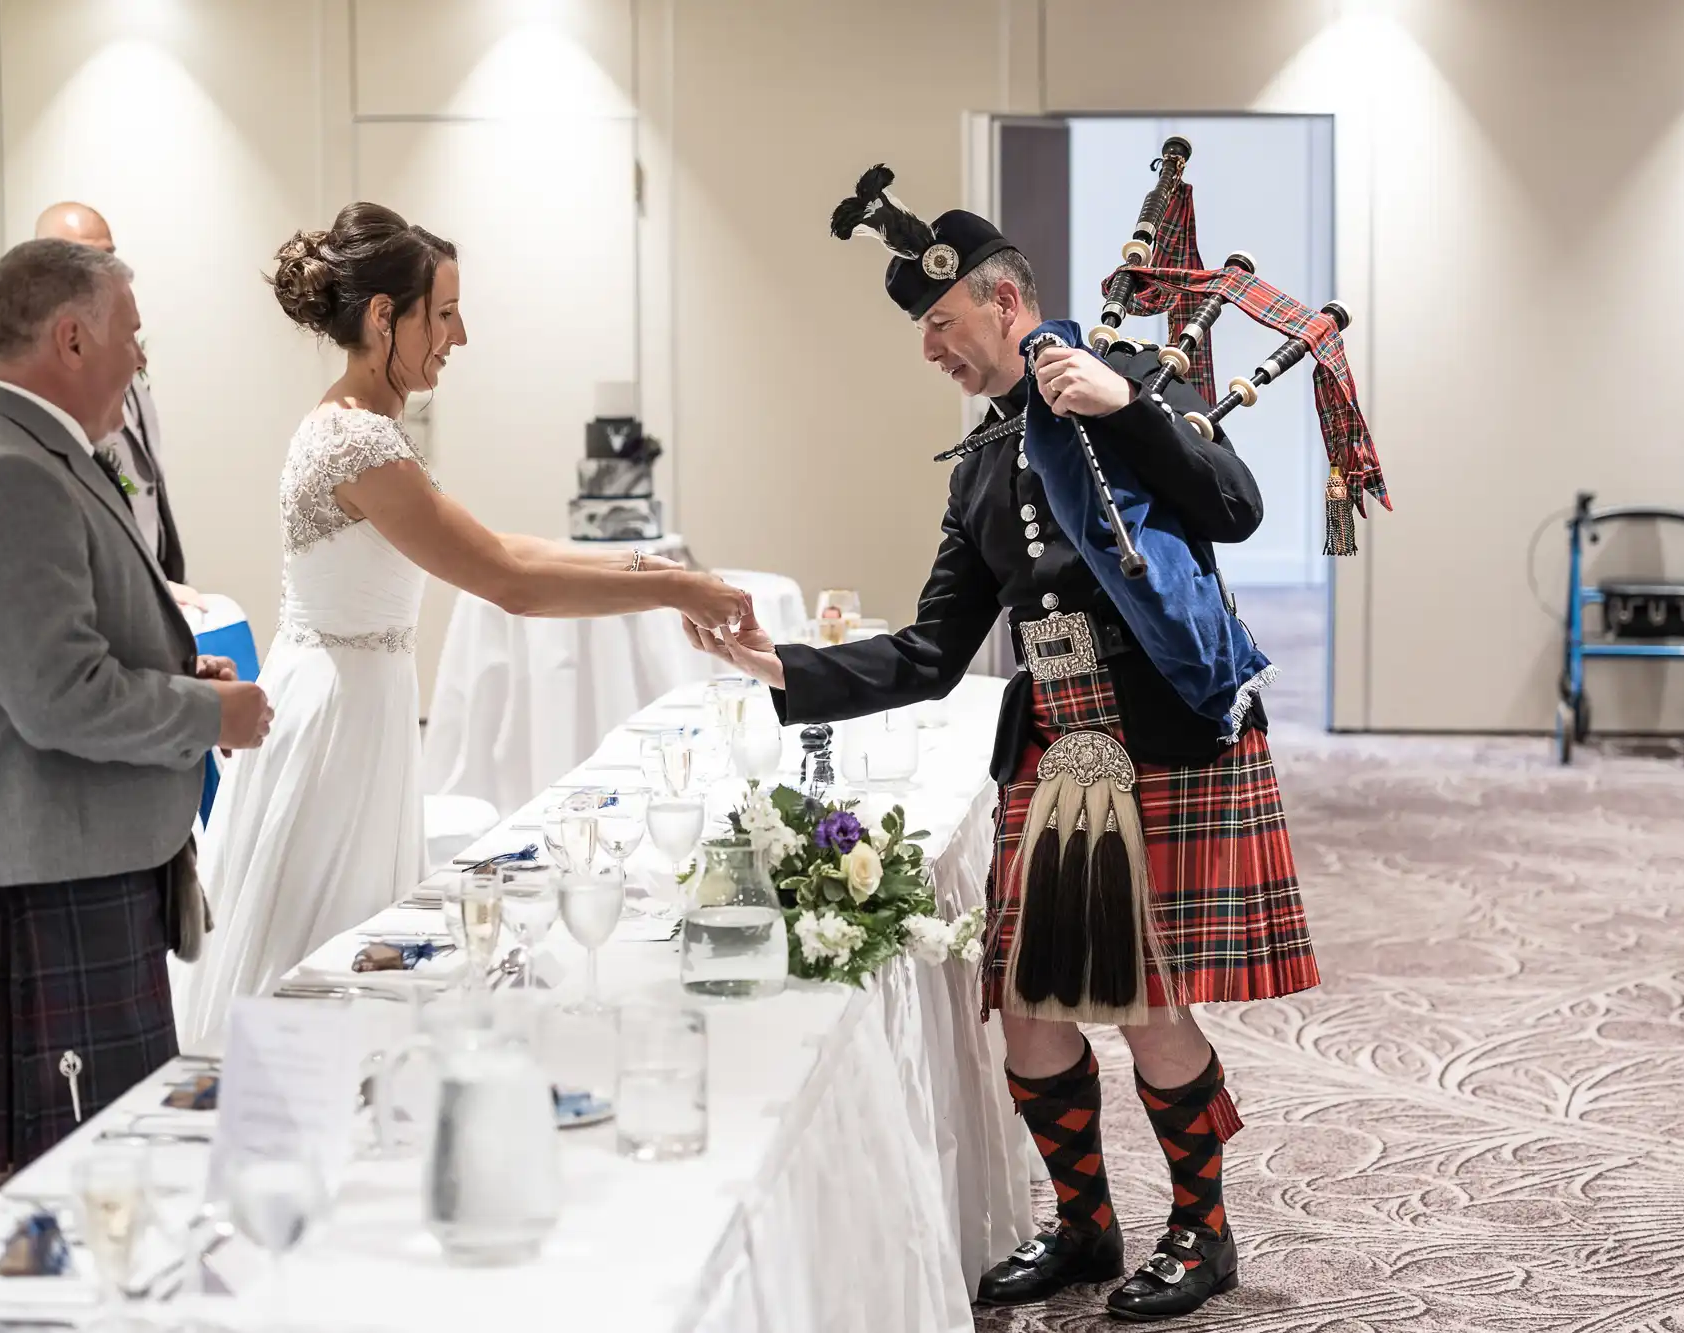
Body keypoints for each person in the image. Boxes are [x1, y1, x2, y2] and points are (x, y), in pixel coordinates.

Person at [687, 170, 1320, 1321]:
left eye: (937, 324)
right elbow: (932, 649)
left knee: (1147, 1001)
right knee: (1026, 1006)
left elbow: (1233, 507)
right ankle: (1084, 1225)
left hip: (1166, 736)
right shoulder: (978, 462)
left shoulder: (1124, 380)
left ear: (1002, 300)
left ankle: (1202, 1229)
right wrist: (780, 668)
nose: (927, 347)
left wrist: (1121, 411)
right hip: (1058, 744)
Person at [175, 203, 751, 1050]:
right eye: (443, 313)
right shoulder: (356, 444)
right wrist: (668, 587)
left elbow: (494, 545)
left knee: (341, 957)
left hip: (352, 707)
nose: (461, 335)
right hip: (338, 723)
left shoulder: (362, 429)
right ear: (384, 317)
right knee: (323, 959)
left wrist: (651, 568)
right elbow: (508, 582)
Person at [0, 239, 272, 1200]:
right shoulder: (4, 471)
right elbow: (56, 695)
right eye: (131, 336)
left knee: (87, 1174)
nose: (140, 359)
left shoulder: (33, 453)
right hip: (35, 882)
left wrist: (179, 669)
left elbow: (49, 655)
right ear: (70, 337)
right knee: (52, 1184)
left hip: (58, 864)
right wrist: (204, 708)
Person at [34, 202, 196, 601]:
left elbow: (146, 477)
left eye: (107, 257)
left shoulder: (123, 350)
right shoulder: (40, 378)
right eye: (83, 259)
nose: (101, 273)